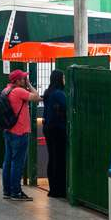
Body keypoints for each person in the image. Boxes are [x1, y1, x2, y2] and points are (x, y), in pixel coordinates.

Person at [2, 69, 41, 201]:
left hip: (8, 131)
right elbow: (36, 97)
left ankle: (7, 190)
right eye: (24, 78)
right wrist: (30, 86)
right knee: (17, 163)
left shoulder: (6, 90)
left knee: (8, 161)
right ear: (17, 80)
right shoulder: (19, 91)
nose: (25, 80)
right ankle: (16, 192)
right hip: (19, 131)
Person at [42, 69, 67, 198]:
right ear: (59, 79)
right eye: (63, 78)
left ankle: (53, 189)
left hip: (48, 128)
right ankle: (60, 189)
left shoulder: (48, 92)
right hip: (58, 129)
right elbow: (68, 105)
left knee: (52, 158)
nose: (64, 80)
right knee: (60, 159)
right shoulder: (59, 94)